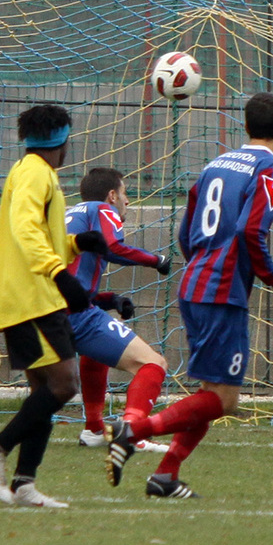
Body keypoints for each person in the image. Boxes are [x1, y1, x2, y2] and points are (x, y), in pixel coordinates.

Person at [105, 93, 273, 498]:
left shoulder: (216, 164)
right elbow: (251, 230)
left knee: (212, 394)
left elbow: (185, 233)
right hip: (221, 292)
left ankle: (165, 476)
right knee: (225, 401)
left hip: (195, 284)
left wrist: (202, 266)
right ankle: (133, 431)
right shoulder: (272, 169)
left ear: (245, 126)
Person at [0, 104, 90, 508]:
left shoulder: (30, 170)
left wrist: (76, 244)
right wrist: (60, 274)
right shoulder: (37, 173)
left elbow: (38, 234)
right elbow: (24, 228)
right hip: (33, 298)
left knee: (44, 391)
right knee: (64, 384)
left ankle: (24, 484)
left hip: (28, 295)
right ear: (63, 140)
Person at [66, 166, 174, 454]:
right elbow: (112, 247)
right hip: (73, 314)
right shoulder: (102, 209)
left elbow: (72, 278)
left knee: (94, 352)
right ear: (112, 195)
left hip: (47, 311)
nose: (127, 201)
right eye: (125, 194)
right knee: (154, 364)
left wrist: (110, 299)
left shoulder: (71, 215)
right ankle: (132, 432)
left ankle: (93, 429)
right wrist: (156, 260)